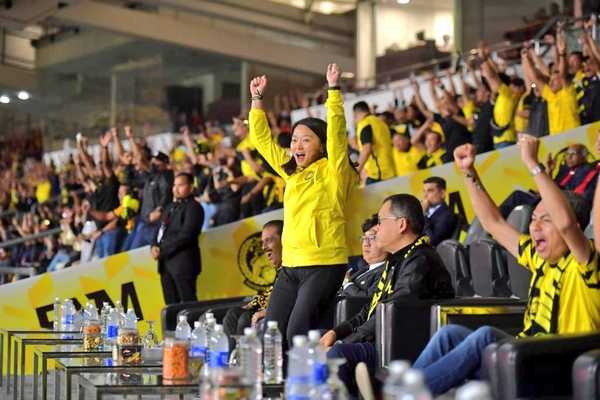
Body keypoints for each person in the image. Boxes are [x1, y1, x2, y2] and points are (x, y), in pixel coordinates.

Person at [412, 136, 600, 395]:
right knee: (449, 335)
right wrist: (469, 173)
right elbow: (493, 224)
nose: (534, 226)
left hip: (560, 363)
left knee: (486, 336)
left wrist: (533, 164)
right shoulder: (538, 258)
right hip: (522, 356)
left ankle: (404, 394)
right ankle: (399, 388)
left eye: (545, 219)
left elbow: (566, 223)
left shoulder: (585, 264)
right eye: (533, 219)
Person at [248, 64, 357, 347]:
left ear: (321, 146)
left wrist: (333, 92)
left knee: (296, 333)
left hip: (324, 263)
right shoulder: (290, 171)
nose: (297, 145)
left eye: (305, 140)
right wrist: (257, 101)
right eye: (294, 139)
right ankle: (276, 387)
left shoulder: (335, 170)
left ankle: (306, 387)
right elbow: (262, 142)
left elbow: (337, 135)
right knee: (271, 333)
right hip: (292, 264)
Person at [321, 194, 453, 394]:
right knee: (331, 348)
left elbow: (394, 309)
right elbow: (372, 308)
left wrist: (345, 342)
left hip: (406, 345)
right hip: (385, 337)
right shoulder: (398, 259)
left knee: (339, 354)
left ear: (401, 225)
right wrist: (337, 332)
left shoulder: (420, 260)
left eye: (381, 221)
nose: (378, 228)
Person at [223, 220, 283, 337]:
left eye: (269, 240)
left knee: (246, 318)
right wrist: (254, 303)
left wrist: (270, 312)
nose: (264, 247)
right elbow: (272, 292)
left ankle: (246, 354)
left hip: (280, 314)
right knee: (233, 313)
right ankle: (233, 355)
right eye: (262, 242)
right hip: (271, 309)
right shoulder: (280, 269)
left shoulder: (294, 268)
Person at [151, 172, 204, 304]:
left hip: (183, 264)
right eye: (175, 185)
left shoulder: (194, 207)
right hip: (165, 265)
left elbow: (187, 235)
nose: (176, 188)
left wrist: (161, 249)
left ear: (191, 187)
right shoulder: (169, 207)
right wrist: (153, 246)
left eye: (181, 185)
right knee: (171, 306)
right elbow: (158, 230)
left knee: (189, 305)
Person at [522, 25, 581, 135]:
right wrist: (525, 58)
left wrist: (562, 54)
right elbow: (534, 78)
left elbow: (562, 74)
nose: (551, 82)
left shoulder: (567, 92)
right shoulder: (550, 95)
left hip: (574, 140)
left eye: (555, 80)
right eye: (551, 80)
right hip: (557, 143)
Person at [130, 150, 174, 249]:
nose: (154, 163)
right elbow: (130, 180)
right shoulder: (150, 177)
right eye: (153, 161)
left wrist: (160, 209)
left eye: (157, 161)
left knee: (158, 252)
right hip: (145, 222)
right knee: (135, 253)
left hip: (156, 224)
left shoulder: (167, 176)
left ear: (165, 163)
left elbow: (167, 194)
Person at [338, 214, 386, 298]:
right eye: (364, 238)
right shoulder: (362, 269)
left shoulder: (386, 271)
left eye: (371, 238)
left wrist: (347, 284)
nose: (366, 244)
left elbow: (367, 300)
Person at [353, 101, 396, 184]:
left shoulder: (364, 124)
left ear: (355, 113)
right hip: (390, 170)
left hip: (377, 174)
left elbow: (367, 149)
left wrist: (356, 170)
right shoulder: (380, 122)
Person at [422, 176, 458, 246]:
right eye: (424, 191)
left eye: (430, 191)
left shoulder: (447, 215)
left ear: (442, 194)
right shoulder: (426, 212)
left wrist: (423, 215)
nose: (425, 195)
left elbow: (431, 240)